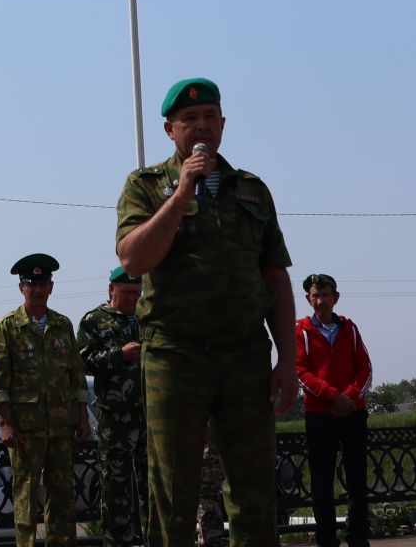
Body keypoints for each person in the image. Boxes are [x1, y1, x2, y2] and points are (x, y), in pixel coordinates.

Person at [115, 77, 298, 547]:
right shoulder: (146, 186)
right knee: (172, 494)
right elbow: (133, 259)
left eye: (209, 116)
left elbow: (275, 277)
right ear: (169, 130)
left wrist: (288, 361)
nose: (201, 126)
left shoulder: (252, 190)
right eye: (189, 119)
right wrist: (181, 195)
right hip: (176, 356)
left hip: (244, 354)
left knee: (255, 493)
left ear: (222, 124)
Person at [0, 253, 91, 547]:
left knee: (62, 497)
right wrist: (5, 424)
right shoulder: (7, 327)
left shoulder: (63, 325)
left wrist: (83, 418)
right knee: (26, 496)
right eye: (30, 284)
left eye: (42, 283)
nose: (36, 289)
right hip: (25, 430)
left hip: (61, 426)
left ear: (51, 287)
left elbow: (76, 375)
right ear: (21, 288)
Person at [293, 273, 372, 547]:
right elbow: (300, 371)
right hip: (319, 415)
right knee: (322, 481)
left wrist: (349, 397)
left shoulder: (349, 329)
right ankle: (327, 539)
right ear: (308, 300)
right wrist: (333, 396)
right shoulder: (301, 331)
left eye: (325, 295)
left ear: (335, 298)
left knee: (357, 479)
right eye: (315, 296)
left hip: (352, 412)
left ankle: (358, 537)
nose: (321, 301)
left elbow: (365, 368)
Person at [77, 266, 146, 546]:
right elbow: (82, 361)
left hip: (149, 415)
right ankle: (118, 542)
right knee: (115, 487)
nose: (131, 299)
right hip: (114, 417)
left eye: (136, 293)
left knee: (153, 486)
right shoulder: (95, 320)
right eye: (125, 293)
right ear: (111, 290)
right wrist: (120, 355)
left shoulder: (148, 317)